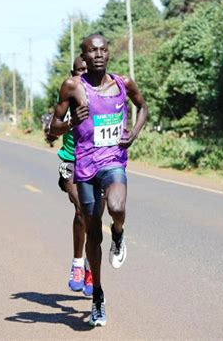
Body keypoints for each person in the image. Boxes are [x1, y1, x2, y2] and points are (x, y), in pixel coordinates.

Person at [51, 34, 148, 327]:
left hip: (113, 161)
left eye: (103, 50)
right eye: (92, 51)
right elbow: (53, 128)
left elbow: (143, 107)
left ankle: (118, 233)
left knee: (117, 206)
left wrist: (133, 133)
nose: (98, 54)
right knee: (93, 234)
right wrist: (71, 122)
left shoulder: (123, 83)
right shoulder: (72, 87)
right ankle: (97, 298)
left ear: (108, 54)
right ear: (83, 55)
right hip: (84, 168)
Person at [48, 56, 98, 297]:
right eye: (80, 70)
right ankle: (78, 265)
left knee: (94, 216)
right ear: (73, 72)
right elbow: (52, 129)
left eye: (88, 70)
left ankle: (89, 268)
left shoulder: (102, 93)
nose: (84, 74)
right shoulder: (68, 94)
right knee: (81, 209)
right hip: (70, 161)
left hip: (96, 163)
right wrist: (71, 122)